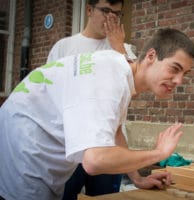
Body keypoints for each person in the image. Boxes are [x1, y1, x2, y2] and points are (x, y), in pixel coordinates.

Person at [0, 28, 194, 200]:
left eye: (185, 74)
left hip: (32, 149)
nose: (179, 80)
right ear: (151, 56)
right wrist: (159, 153)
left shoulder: (119, 72)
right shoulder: (109, 78)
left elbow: (114, 132)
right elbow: (95, 161)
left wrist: (138, 178)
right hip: (23, 156)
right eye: (175, 68)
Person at [47, 0, 136, 198]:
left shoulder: (124, 49)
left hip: (109, 147)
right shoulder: (64, 47)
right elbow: (51, 94)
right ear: (89, 10)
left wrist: (118, 47)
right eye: (105, 11)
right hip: (70, 149)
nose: (111, 18)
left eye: (117, 13)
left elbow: (134, 87)